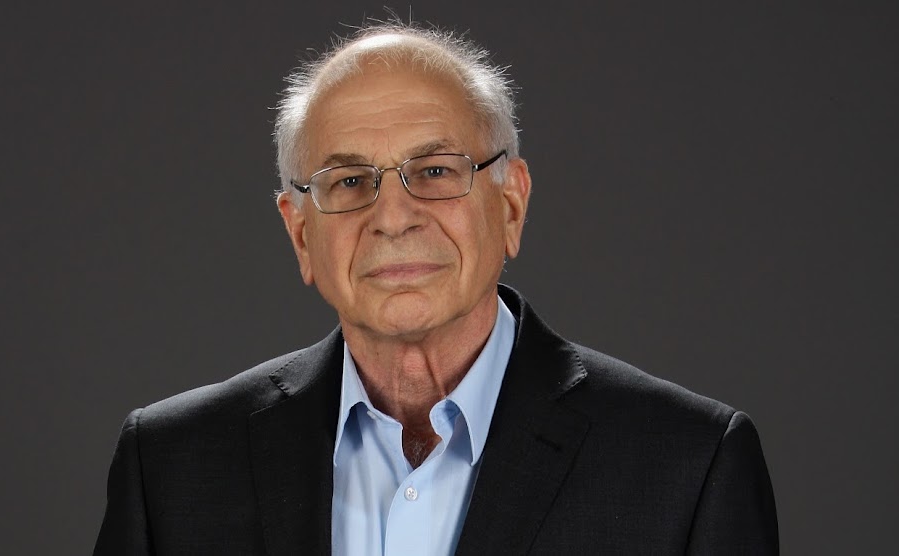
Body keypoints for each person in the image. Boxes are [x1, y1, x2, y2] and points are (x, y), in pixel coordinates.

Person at [94, 20, 778, 555]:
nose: (392, 217)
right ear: (300, 234)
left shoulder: (688, 467)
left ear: (510, 206)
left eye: (436, 171)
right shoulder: (172, 468)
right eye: (348, 182)